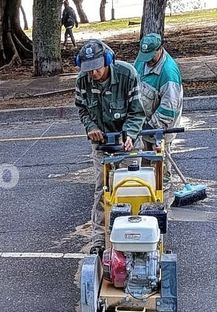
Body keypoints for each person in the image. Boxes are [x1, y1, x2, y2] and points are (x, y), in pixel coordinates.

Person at [74, 39, 145, 255]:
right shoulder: (82, 81)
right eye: (88, 70)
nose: (93, 74)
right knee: (102, 191)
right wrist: (91, 127)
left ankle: (133, 236)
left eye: (96, 68)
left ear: (107, 61)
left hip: (127, 143)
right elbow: (82, 109)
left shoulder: (127, 74)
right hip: (101, 145)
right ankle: (99, 239)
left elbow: (137, 112)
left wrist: (130, 134)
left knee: (130, 188)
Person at [133, 33, 183, 204]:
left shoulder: (168, 73)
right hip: (143, 121)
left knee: (159, 165)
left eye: (150, 56)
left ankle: (162, 201)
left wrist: (153, 128)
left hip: (160, 126)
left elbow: (168, 110)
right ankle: (146, 195)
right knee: (145, 164)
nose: (146, 60)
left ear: (160, 49)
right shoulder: (142, 60)